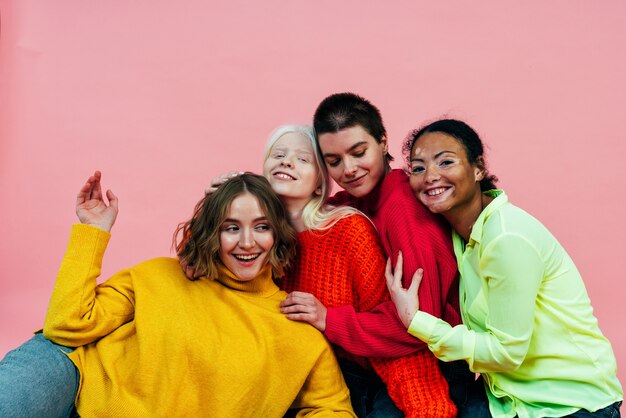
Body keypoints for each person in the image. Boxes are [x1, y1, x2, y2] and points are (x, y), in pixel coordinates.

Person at [0, 171, 356, 418]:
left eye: (261, 227)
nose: (247, 243)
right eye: (231, 228)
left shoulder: (298, 332)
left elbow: (332, 408)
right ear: (212, 234)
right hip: (74, 386)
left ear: (277, 234)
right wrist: (93, 232)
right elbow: (65, 327)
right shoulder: (159, 275)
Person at [206, 125, 456, 417]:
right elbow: (199, 271)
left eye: (302, 158)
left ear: (319, 183)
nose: (287, 162)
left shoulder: (347, 230)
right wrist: (214, 206)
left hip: (358, 388)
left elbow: (390, 332)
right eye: (279, 155)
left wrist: (427, 409)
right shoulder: (258, 240)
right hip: (286, 385)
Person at [386, 118, 623, 417]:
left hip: (571, 404)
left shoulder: (505, 236)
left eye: (445, 162)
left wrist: (416, 321)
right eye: (418, 168)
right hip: (507, 399)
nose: (430, 175)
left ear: (478, 168)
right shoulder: (462, 236)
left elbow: (506, 353)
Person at [283, 93, 484, 416]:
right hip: (384, 368)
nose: (349, 169)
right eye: (334, 161)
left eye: (358, 152)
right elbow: (311, 214)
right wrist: (241, 193)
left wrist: (328, 319)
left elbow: (418, 325)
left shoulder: (401, 207)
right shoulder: (361, 201)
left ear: (382, 141)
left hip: (430, 371)